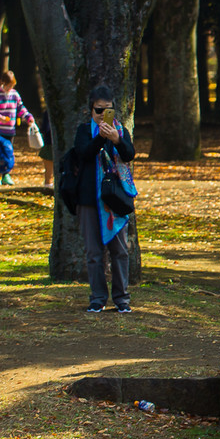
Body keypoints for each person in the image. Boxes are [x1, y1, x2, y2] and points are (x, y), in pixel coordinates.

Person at [72, 86, 135, 313]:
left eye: (108, 110)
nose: (102, 115)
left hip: (115, 201)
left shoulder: (120, 131)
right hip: (89, 199)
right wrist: (100, 137)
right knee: (93, 253)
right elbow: (84, 154)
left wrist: (117, 140)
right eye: (98, 110)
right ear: (91, 110)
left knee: (120, 251)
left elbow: (129, 154)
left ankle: (122, 299)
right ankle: (97, 298)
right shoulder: (83, 131)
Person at [0, 71, 33, 186]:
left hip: (10, 130)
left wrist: (28, 117)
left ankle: (6, 174)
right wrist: (0, 118)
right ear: (3, 82)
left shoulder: (15, 94)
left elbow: (20, 107)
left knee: (8, 153)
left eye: (12, 85)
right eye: (8, 85)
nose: (10, 88)